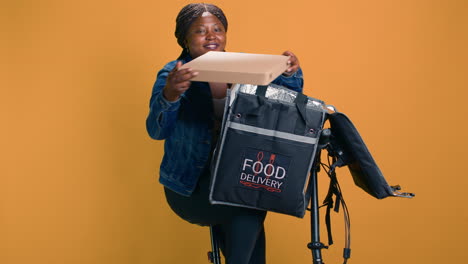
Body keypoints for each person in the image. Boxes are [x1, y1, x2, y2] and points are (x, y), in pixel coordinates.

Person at [146, 3, 304, 263]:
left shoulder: (246, 68)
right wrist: (171, 94)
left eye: (217, 29)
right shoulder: (173, 74)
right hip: (191, 186)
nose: (211, 36)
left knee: (253, 188)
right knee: (253, 194)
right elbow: (156, 131)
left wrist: (289, 74)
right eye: (200, 31)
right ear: (185, 39)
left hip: (236, 179)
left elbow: (289, 104)